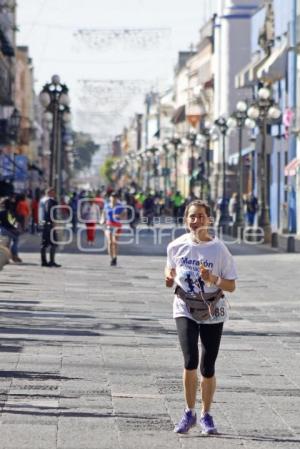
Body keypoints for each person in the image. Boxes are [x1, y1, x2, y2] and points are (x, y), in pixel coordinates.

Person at [165, 199, 237, 435]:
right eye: (192, 217)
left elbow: (231, 285)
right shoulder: (175, 246)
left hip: (213, 309)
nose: (196, 221)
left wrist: (213, 279)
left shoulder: (219, 250)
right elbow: (170, 269)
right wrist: (168, 277)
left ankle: (206, 415)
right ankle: (189, 412)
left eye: (201, 216)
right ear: (186, 220)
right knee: (189, 360)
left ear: (209, 220)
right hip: (184, 306)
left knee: (207, 367)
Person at [102, 192, 124, 266]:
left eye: (115, 197)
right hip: (108, 225)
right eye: (112, 197)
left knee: (114, 242)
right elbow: (103, 213)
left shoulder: (120, 206)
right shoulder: (107, 205)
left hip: (117, 225)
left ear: (117, 198)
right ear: (110, 198)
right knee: (110, 242)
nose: (113, 198)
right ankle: (111, 258)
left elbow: (125, 215)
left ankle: (115, 257)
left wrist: (120, 216)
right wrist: (102, 220)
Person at [40, 187, 61, 267]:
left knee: (45, 244)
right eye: (52, 193)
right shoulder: (51, 202)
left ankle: (45, 262)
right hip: (49, 225)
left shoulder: (43, 201)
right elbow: (51, 213)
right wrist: (54, 223)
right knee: (53, 243)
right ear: (48, 193)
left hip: (45, 224)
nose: (54, 194)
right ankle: (50, 261)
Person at [0, 198, 22, 263]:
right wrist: (17, 229)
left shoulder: (1, 212)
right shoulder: (11, 211)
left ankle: (6, 258)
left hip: (3, 230)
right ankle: (14, 255)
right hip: (11, 230)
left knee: (6, 244)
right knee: (16, 240)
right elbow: (14, 222)